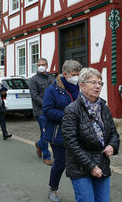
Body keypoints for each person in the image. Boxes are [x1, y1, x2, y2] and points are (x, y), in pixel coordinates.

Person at [62, 68, 120, 202]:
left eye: (100, 83)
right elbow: (71, 143)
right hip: (80, 165)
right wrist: (91, 166)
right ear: (82, 85)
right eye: (93, 82)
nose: (98, 86)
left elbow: (113, 132)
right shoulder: (72, 110)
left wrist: (112, 145)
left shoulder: (103, 107)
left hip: (102, 162)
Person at [43, 60, 82, 202]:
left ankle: (83, 193)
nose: (76, 77)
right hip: (58, 133)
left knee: (80, 163)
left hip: (78, 132)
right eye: (73, 74)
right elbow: (47, 110)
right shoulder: (52, 90)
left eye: (78, 74)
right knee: (60, 163)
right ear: (65, 74)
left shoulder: (79, 87)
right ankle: (53, 189)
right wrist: (68, 116)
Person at [29, 58, 54, 166]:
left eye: (43, 64)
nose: (41, 66)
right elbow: (34, 96)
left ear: (47, 66)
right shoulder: (33, 80)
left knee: (49, 132)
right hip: (40, 111)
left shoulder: (51, 78)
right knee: (45, 132)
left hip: (51, 110)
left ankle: (39, 144)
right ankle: (47, 156)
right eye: (39, 64)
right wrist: (46, 105)